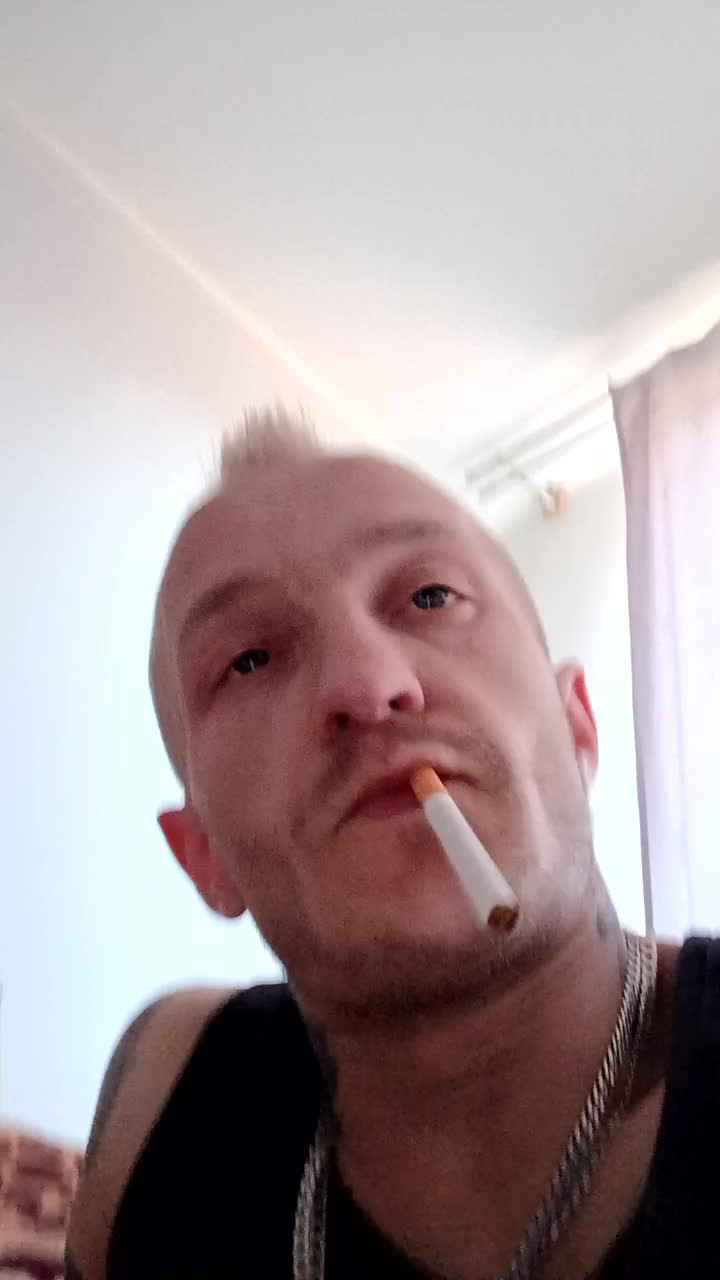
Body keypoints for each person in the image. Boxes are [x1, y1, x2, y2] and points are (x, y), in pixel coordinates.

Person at [66, 410, 718, 1280]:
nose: (367, 686)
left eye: (430, 597)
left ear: (577, 728)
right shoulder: (167, 1087)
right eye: (251, 658)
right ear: (204, 856)